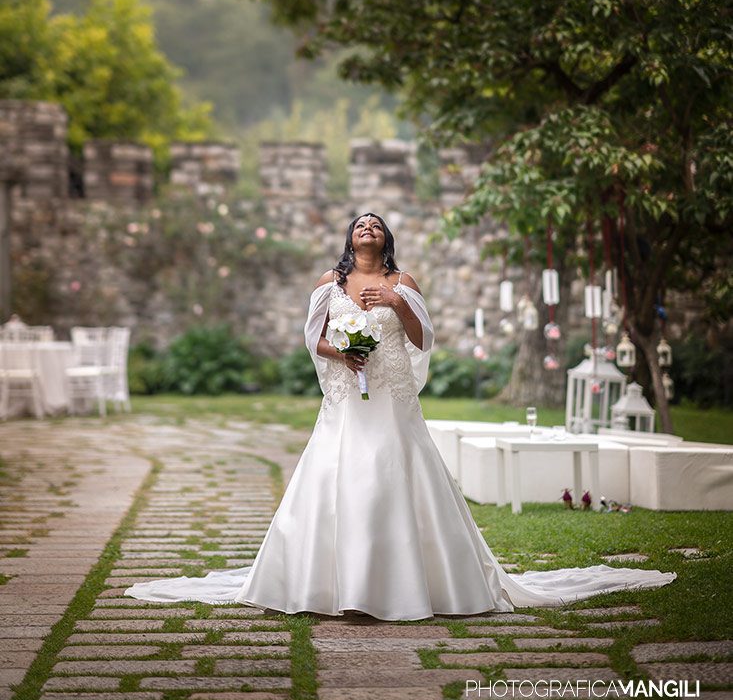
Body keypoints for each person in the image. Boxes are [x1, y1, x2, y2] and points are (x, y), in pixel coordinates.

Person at [124, 212, 675, 619]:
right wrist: (346, 353)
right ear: (350, 239)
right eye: (359, 224)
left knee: (394, 472)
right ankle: (327, 583)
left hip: (392, 399)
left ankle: (412, 584)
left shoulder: (403, 283)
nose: (367, 228)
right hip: (346, 398)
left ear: (386, 239)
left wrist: (394, 305)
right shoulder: (329, 283)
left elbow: (421, 338)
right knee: (337, 475)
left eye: (376, 224)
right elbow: (312, 338)